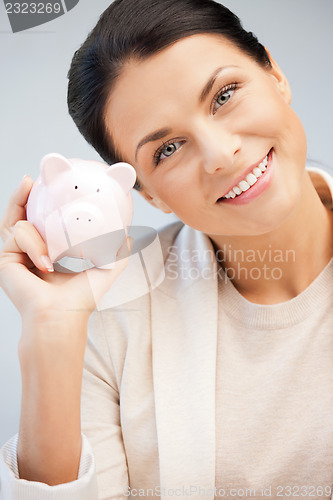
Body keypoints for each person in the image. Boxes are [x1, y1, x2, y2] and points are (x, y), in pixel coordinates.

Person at [1, 0, 333, 498]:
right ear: (150, 195)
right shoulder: (111, 318)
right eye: (168, 149)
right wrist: (53, 329)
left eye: (224, 95)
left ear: (275, 73)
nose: (221, 155)